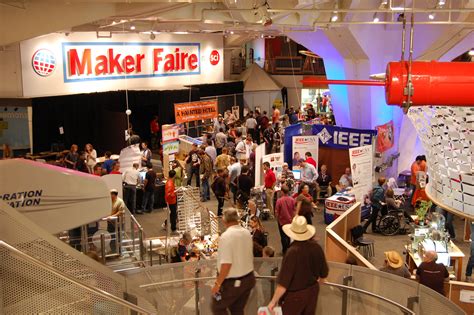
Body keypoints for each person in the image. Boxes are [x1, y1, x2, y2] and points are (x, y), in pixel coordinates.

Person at [268, 216, 329, 314]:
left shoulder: (292, 252)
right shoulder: (316, 247)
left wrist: (273, 301)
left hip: (295, 296)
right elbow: (324, 273)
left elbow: (284, 282)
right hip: (312, 292)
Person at [211, 208, 255, 315]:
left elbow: (226, 264)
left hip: (232, 283)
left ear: (224, 220)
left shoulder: (226, 237)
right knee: (237, 309)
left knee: (217, 306)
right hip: (248, 279)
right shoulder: (246, 233)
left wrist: (217, 284)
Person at [275, 185, 296, 254]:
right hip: (290, 220)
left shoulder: (279, 200)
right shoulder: (292, 200)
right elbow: (294, 210)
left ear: (282, 191)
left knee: (283, 236)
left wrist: (277, 219)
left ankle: (285, 250)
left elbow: (277, 212)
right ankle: (289, 249)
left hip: (282, 221)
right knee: (289, 235)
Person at [105, 189, 126, 254]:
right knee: (111, 236)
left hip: (118, 223)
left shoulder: (120, 201)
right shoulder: (109, 201)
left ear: (114, 194)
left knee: (118, 237)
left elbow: (121, 212)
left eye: (110, 194)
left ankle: (119, 251)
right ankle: (113, 251)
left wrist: (112, 216)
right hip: (110, 222)